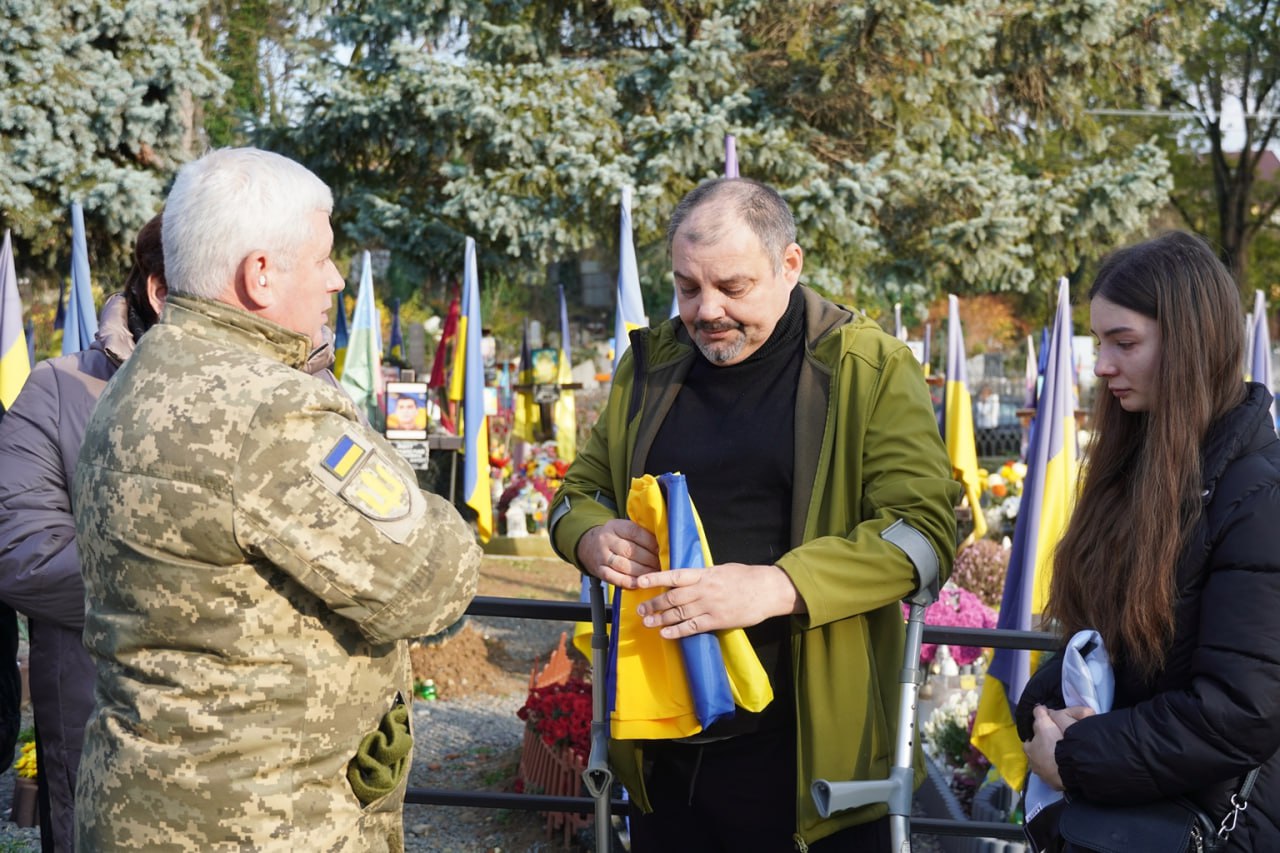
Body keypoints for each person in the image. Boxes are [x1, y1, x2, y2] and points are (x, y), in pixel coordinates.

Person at [71, 147, 481, 851]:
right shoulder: (269, 411)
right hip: (264, 820)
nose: (334, 278)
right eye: (322, 256)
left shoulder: (149, 371)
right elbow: (433, 582)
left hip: (147, 803)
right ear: (260, 274)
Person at [549, 177, 960, 851]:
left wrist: (778, 585)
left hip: (806, 763)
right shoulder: (652, 365)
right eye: (686, 287)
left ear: (789, 266)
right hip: (667, 749)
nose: (705, 310)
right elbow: (575, 491)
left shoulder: (869, 365)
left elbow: (923, 529)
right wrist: (592, 537)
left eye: (733, 288)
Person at [1017, 231, 1280, 848]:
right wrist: (1043, 713)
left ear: (1191, 343)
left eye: (1124, 342)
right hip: (1129, 818)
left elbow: (1241, 710)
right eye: (1099, 341)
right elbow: (1115, 652)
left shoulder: (1259, 500)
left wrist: (1077, 756)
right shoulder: (1145, 469)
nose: (1102, 365)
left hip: (1209, 828)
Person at [0, 212, 168, 853]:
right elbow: (26, 558)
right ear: (159, 292)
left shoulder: (304, 386)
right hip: (107, 733)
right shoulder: (59, 390)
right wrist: (199, 593)